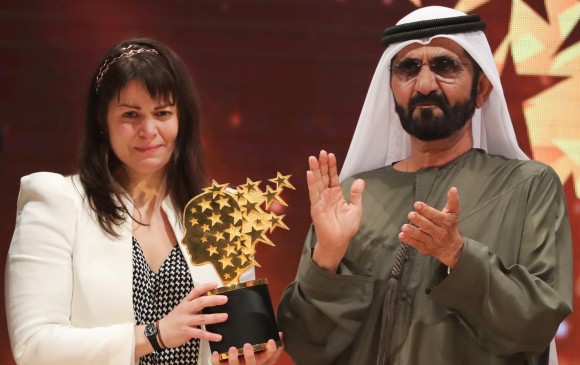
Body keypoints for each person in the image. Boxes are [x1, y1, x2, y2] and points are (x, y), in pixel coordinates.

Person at [277, 6, 572, 365]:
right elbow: (306, 346)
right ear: (392, 88)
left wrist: (459, 257)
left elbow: (535, 327)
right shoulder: (353, 196)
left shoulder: (529, 186)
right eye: (408, 68)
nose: (425, 84)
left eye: (445, 66)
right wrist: (328, 257)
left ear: (481, 88)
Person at [5, 37, 283, 365]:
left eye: (162, 113)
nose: (148, 130)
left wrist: (251, 354)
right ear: (101, 122)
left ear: (182, 120)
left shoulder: (221, 212)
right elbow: (33, 347)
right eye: (131, 115)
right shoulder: (56, 203)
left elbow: (236, 338)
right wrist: (155, 334)